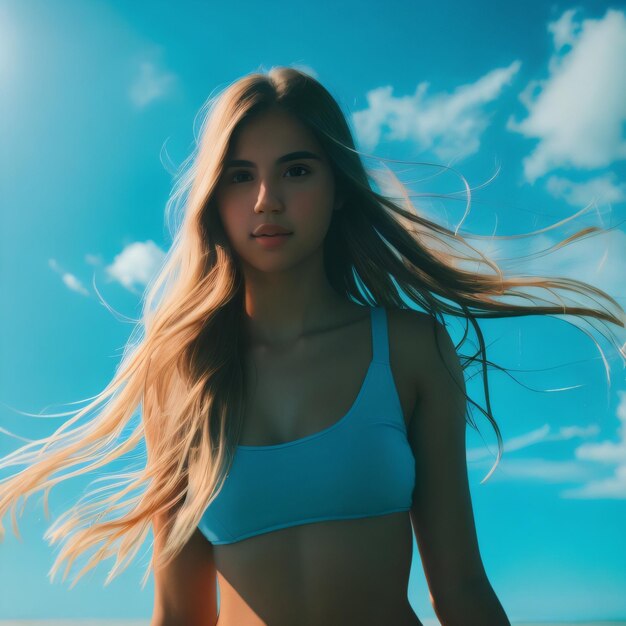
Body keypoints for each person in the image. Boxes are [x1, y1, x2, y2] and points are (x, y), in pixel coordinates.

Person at [0, 66, 623, 626]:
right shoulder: (184, 378)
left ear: (339, 186)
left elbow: (459, 588)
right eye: (241, 177)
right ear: (215, 200)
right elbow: (181, 614)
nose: (267, 200)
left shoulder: (410, 350)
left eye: (296, 169)